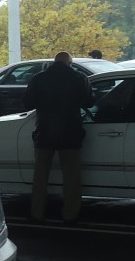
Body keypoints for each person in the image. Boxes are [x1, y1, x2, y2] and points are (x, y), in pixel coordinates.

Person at [24, 52, 94, 223]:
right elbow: (89, 102)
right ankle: (70, 214)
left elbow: (27, 103)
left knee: (40, 177)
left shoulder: (39, 78)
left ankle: (37, 213)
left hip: (44, 132)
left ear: (53, 62)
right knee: (71, 177)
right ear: (70, 63)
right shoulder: (79, 77)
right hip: (70, 133)